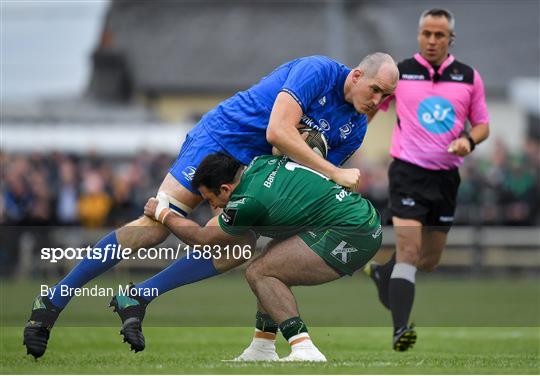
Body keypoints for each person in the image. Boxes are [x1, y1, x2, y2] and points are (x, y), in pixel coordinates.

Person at [24, 53, 398, 359]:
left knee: (239, 247)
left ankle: (136, 298)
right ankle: (53, 301)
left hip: (256, 169)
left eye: (386, 97)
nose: (377, 101)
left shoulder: (357, 126)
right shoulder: (318, 71)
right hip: (223, 138)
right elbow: (278, 132)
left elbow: (295, 172)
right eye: (376, 89)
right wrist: (335, 170)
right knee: (153, 227)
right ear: (357, 75)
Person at [143, 153, 384, 361]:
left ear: (226, 188)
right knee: (268, 260)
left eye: (210, 199)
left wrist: (162, 213)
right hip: (357, 218)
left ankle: (303, 347)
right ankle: (263, 346)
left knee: (261, 272)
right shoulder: (260, 163)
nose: (213, 204)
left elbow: (203, 238)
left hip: (352, 231)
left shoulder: (247, 202)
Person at [364, 9, 490, 351]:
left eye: (439, 35)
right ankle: (401, 330)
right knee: (408, 250)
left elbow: (482, 124)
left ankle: (382, 274)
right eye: (426, 34)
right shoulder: (401, 73)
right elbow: (371, 103)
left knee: (429, 260)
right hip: (407, 172)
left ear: (451, 39)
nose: (432, 40)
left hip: (446, 178)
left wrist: (469, 140)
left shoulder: (468, 77)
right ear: (419, 35)